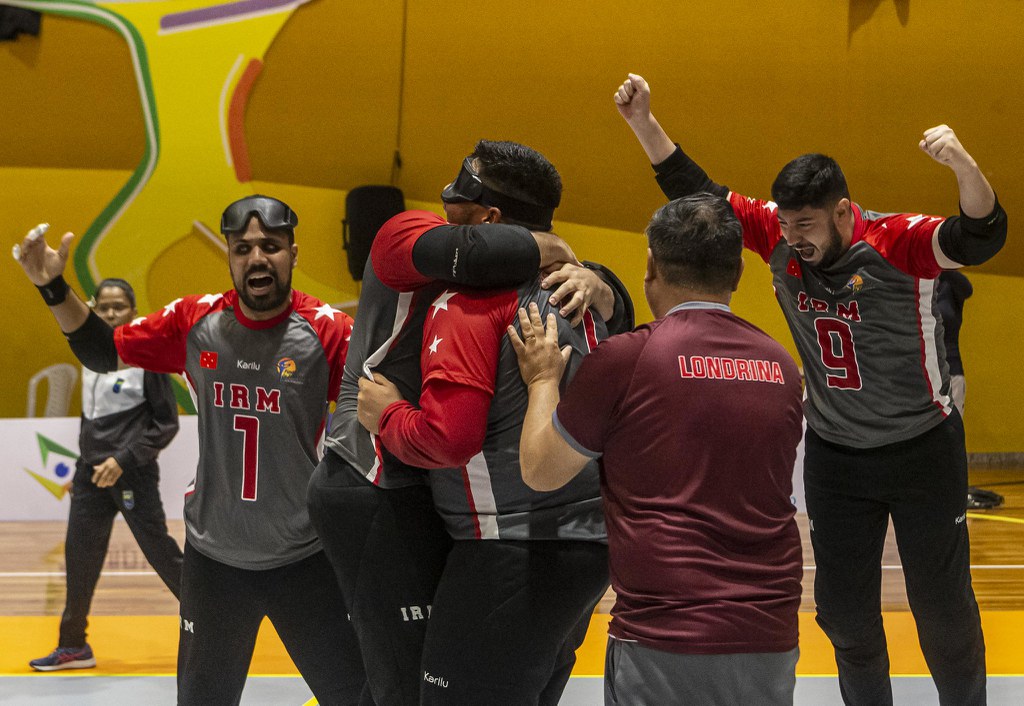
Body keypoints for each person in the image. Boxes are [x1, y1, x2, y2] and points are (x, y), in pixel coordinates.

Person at [614, 73, 1007, 705]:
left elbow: (981, 235)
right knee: (846, 617)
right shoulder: (776, 235)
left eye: (808, 225)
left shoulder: (898, 242)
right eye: (788, 225)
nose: (795, 238)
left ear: (845, 213)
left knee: (942, 611)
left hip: (922, 447)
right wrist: (643, 123)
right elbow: (701, 194)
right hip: (835, 454)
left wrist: (962, 162)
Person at [15, 196, 367, 705]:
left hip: (304, 557)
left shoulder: (329, 331)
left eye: (270, 246)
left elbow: (383, 412)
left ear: (293, 252)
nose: (257, 258)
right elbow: (101, 349)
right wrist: (52, 287)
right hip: (215, 561)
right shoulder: (194, 321)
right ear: (228, 255)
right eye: (243, 248)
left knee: (355, 695)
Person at [358, 140, 626, 706]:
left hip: (508, 546)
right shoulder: (587, 295)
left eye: (458, 204)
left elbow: (446, 439)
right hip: (591, 544)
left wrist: (388, 416)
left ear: (490, 220)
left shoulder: (469, 305)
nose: (445, 211)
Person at [510, 193, 804, 705]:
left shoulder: (629, 359)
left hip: (664, 635)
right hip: (771, 634)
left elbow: (540, 470)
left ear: (650, 266)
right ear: (737, 272)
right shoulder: (781, 366)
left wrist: (541, 381)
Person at [29, 278, 182, 672]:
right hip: (88, 478)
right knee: (78, 558)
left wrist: (124, 461)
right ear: (94, 309)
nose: (112, 314)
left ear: (134, 311)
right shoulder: (88, 357)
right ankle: (73, 645)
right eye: (105, 307)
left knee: (162, 554)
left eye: (120, 307)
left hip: (131, 476)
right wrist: (86, 463)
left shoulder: (146, 359)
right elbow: (91, 420)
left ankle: (216, 628)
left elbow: (166, 423)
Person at [936, 269, 973, 417]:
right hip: (920, 373)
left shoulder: (949, 284)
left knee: (952, 433)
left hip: (951, 370)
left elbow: (967, 289)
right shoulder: (915, 283)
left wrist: (938, 265)